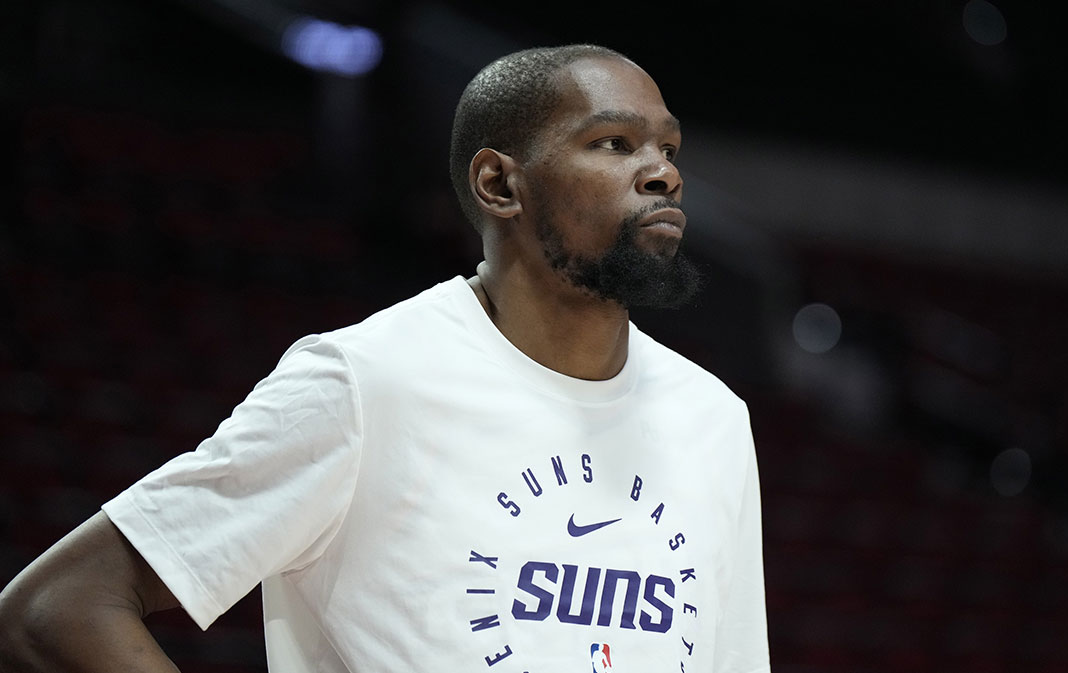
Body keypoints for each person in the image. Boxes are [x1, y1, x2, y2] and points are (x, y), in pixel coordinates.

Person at [0, 44, 770, 672]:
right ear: (500, 184)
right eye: (614, 143)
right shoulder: (365, 381)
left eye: (668, 147)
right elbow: (57, 606)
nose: (663, 170)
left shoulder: (714, 418)